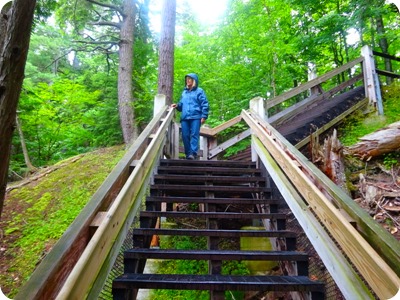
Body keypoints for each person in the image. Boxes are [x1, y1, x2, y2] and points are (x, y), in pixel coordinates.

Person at [171, 73, 209, 160]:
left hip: (196, 116)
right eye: (186, 79)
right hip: (185, 117)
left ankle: (193, 153)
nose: (187, 80)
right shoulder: (184, 92)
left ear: (194, 80)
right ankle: (188, 154)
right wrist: (177, 105)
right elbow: (181, 105)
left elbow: (204, 104)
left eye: (189, 79)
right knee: (185, 135)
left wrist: (204, 116)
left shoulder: (199, 91)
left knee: (194, 135)